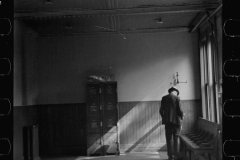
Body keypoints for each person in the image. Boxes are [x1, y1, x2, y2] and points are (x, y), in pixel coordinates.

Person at [159, 86, 184, 160]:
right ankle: (176, 155)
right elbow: (179, 110)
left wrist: (164, 117)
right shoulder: (177, 98)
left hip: (167, 121)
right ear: (175, 92)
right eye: (177, 93)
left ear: (170, 91)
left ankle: (170, 156)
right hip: (176, 121)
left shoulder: (164, 98)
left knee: (169, 138)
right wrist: (182, 115)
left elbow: (161, 111)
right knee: (176, 138)